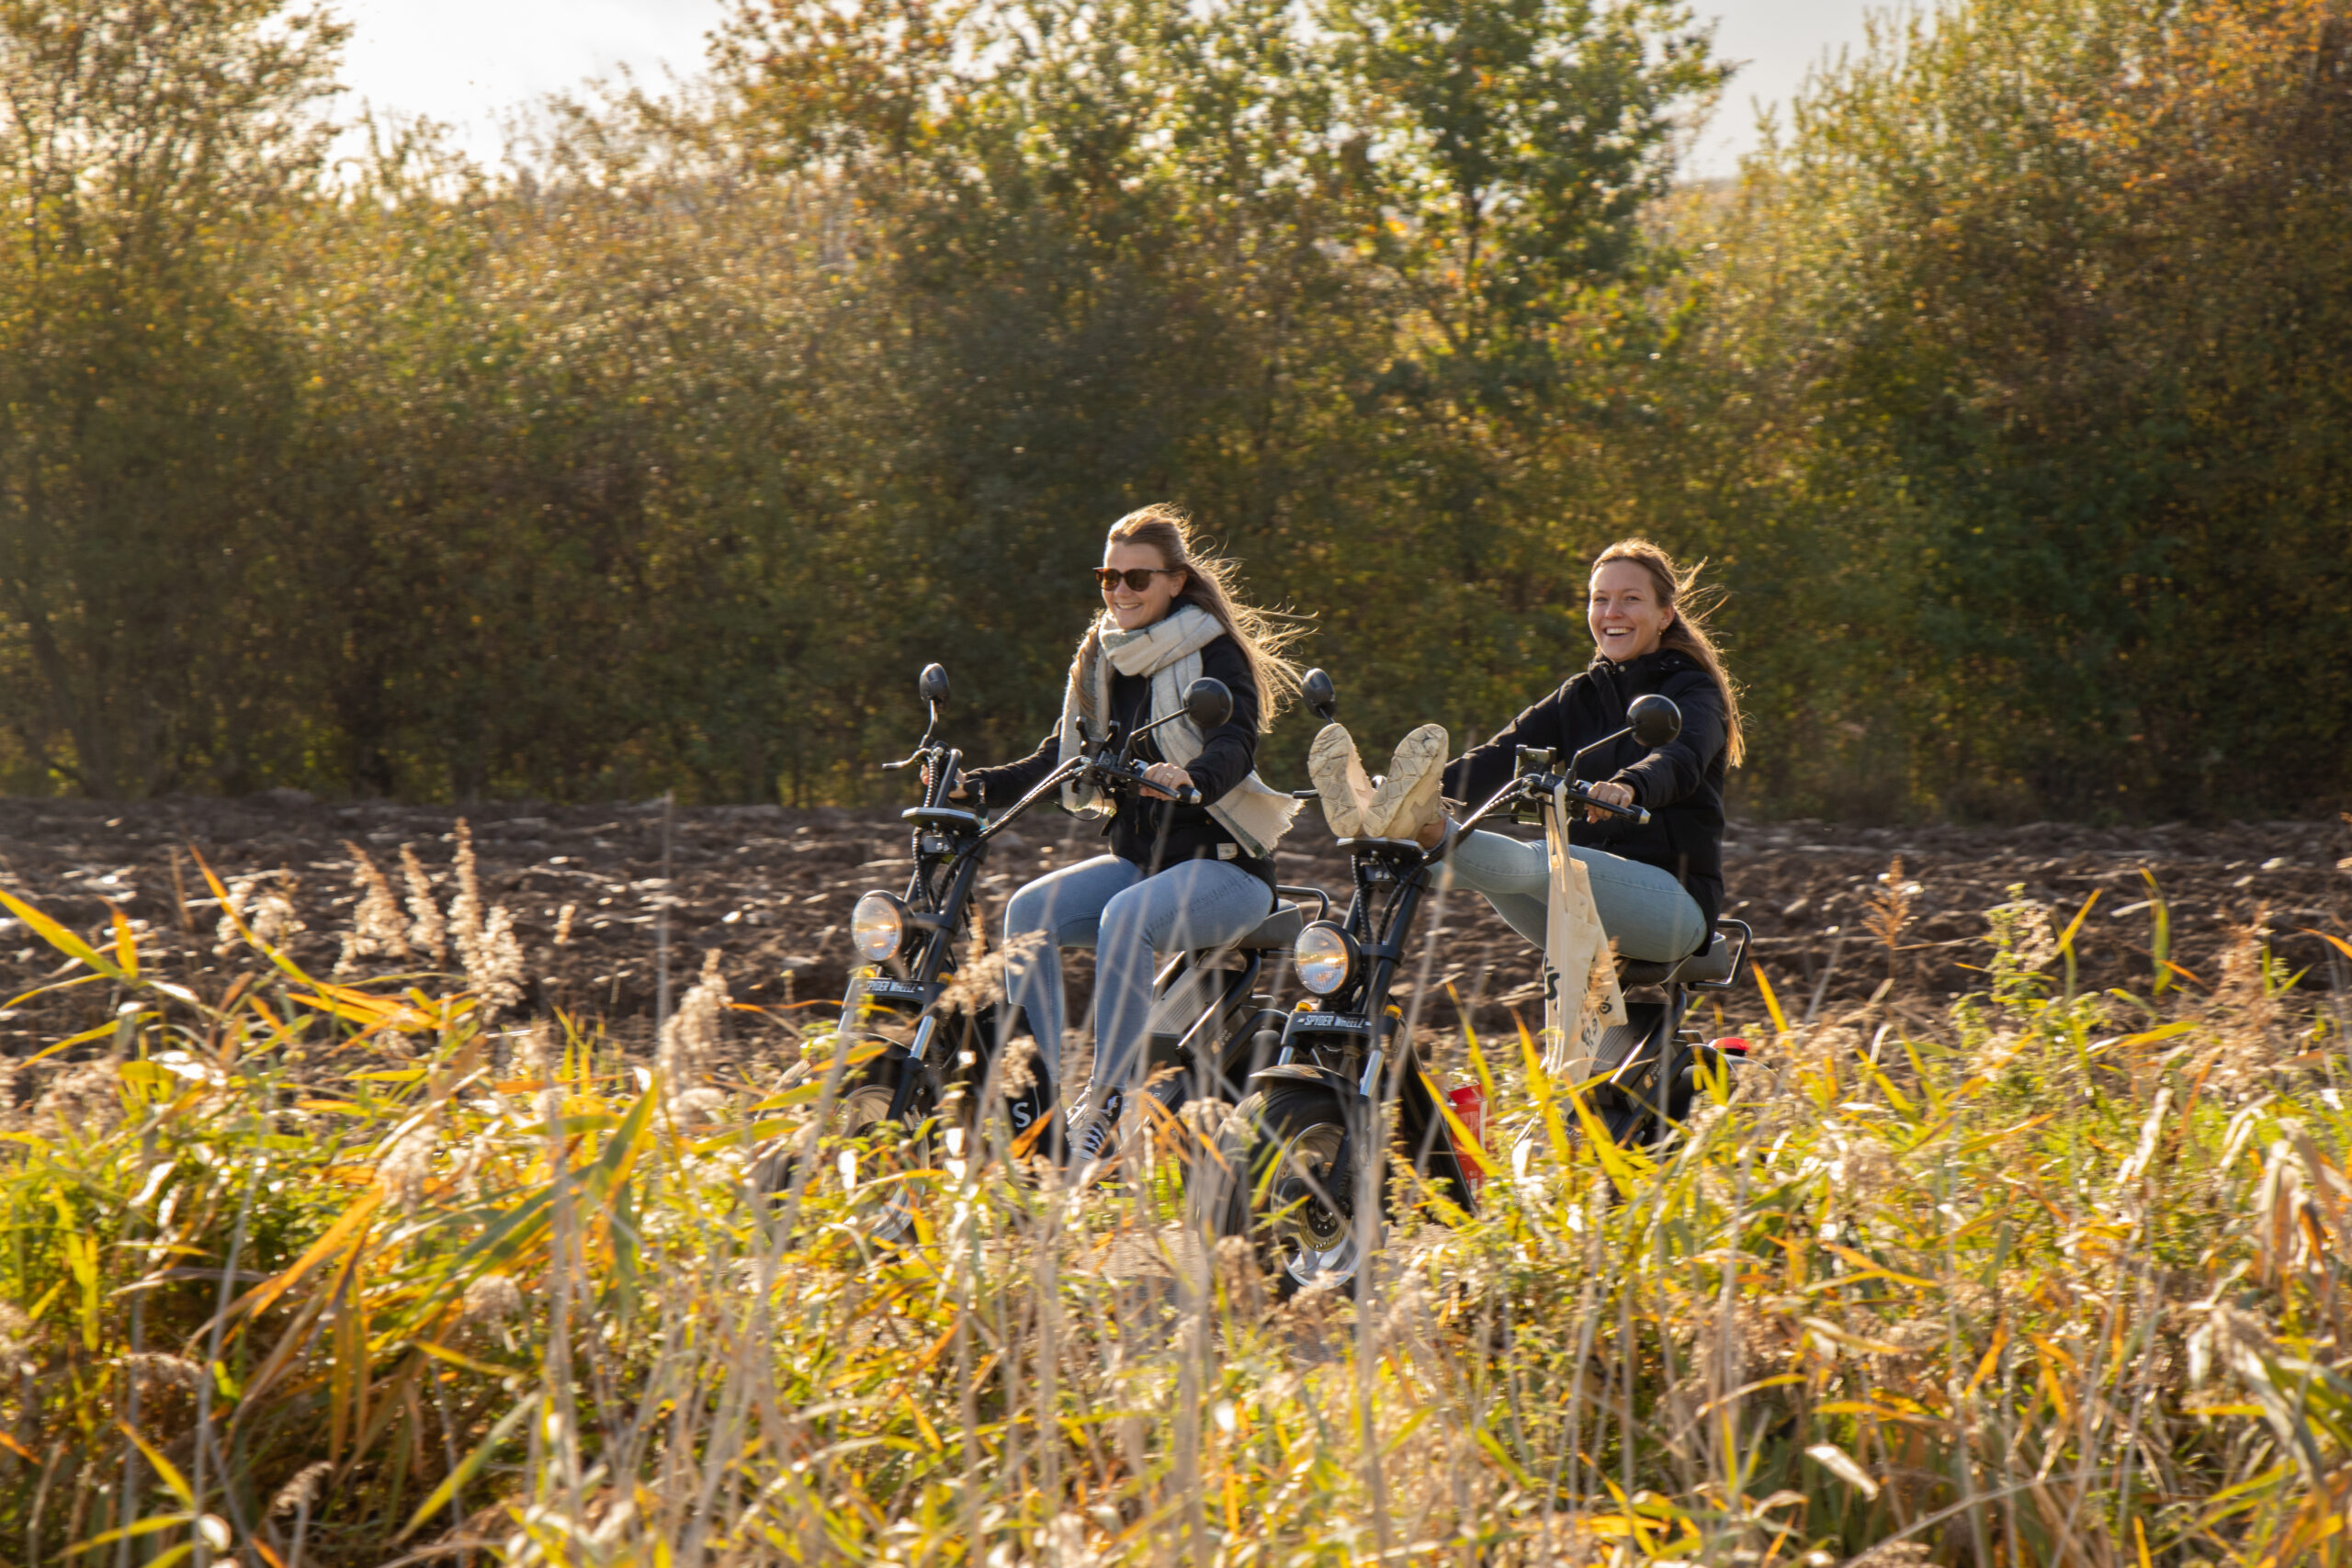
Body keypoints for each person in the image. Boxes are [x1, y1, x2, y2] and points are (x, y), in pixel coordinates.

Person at [950, 505, 1306, 1158]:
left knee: (1124, 916)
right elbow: (1058, 760)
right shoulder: (1103, 658)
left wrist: (1193, 777)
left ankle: (1108, 1105)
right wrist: (970, 785)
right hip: (1147, 869)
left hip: (1227, 871)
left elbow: (1236, 740)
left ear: (1175, 580)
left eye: (1136, 579)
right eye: (1108, 577)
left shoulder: (1213, 652)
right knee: (1032, 911)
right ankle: (1043, 1107)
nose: (1119, 591)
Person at [1308, 538, 1743, 962]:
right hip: (1586, 902)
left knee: (1541, 861)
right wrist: (1418, 788)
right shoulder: (1580, 695)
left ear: (1665, 614)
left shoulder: (1693, 691)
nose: (1611, 612)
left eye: (1630, 599)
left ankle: (1426, 825)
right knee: (1422, 864)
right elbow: (1496, 758)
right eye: (1600, 599)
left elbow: (1679, 758)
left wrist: (1629, 786)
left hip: (1674, 905)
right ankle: (1397, 823)